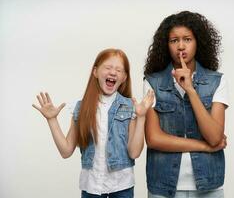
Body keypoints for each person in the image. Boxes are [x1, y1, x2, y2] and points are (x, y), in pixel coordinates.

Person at [33, 48, 154, 198]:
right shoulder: (81, 108)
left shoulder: (130, 107)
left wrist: (141, 117)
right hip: (91, 188)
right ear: (95, 72)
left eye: (119, 70)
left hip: (122, 188)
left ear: (124, 77)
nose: (113, 72)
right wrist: (52, 120)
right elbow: (66, 151)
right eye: (108, 68)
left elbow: (134, 152)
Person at [143, 11, 229, 198]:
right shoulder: (152, 82)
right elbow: (154, 138)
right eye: (174, 40)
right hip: (163, 185)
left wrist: (190, 90)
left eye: (187, 39)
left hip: (208, 185)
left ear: (198, 42)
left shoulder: (217, 81)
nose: (181, 46)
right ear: (166, 45)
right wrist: (204, 146)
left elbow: (215, 137)